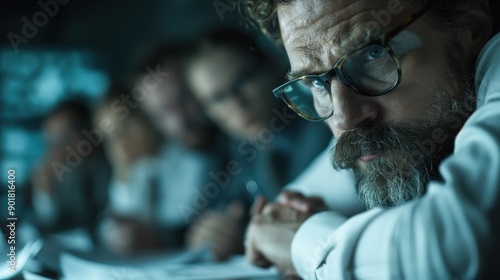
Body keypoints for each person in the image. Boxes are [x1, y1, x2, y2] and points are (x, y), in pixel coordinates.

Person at [242, 0, 500, 278]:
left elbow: (459, 246)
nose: (343, 119)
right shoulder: (389, 135)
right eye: (316, 82)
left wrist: (303, 243)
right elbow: (284, 212)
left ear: (469, 25)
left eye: (372, 54)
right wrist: (279, 226)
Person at [185, 29, 332, 258]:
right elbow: (219, 215)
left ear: (270, 67)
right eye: (218, 99)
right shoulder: (236, 156)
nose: (237, 104)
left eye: (242, 81)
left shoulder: (326, 123)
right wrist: (214, 233)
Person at [95, 88, 166, 255]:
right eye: (111, 137)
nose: (120, 140)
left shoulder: (175, 160)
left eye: (125, 125)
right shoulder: (123, 175)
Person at [28, 98, 111, 241]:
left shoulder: (106, 170)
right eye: (52, 142)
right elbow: (46, 224)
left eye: (66, 137)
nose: (58, 150)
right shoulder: (60, 178)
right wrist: (45, 193)